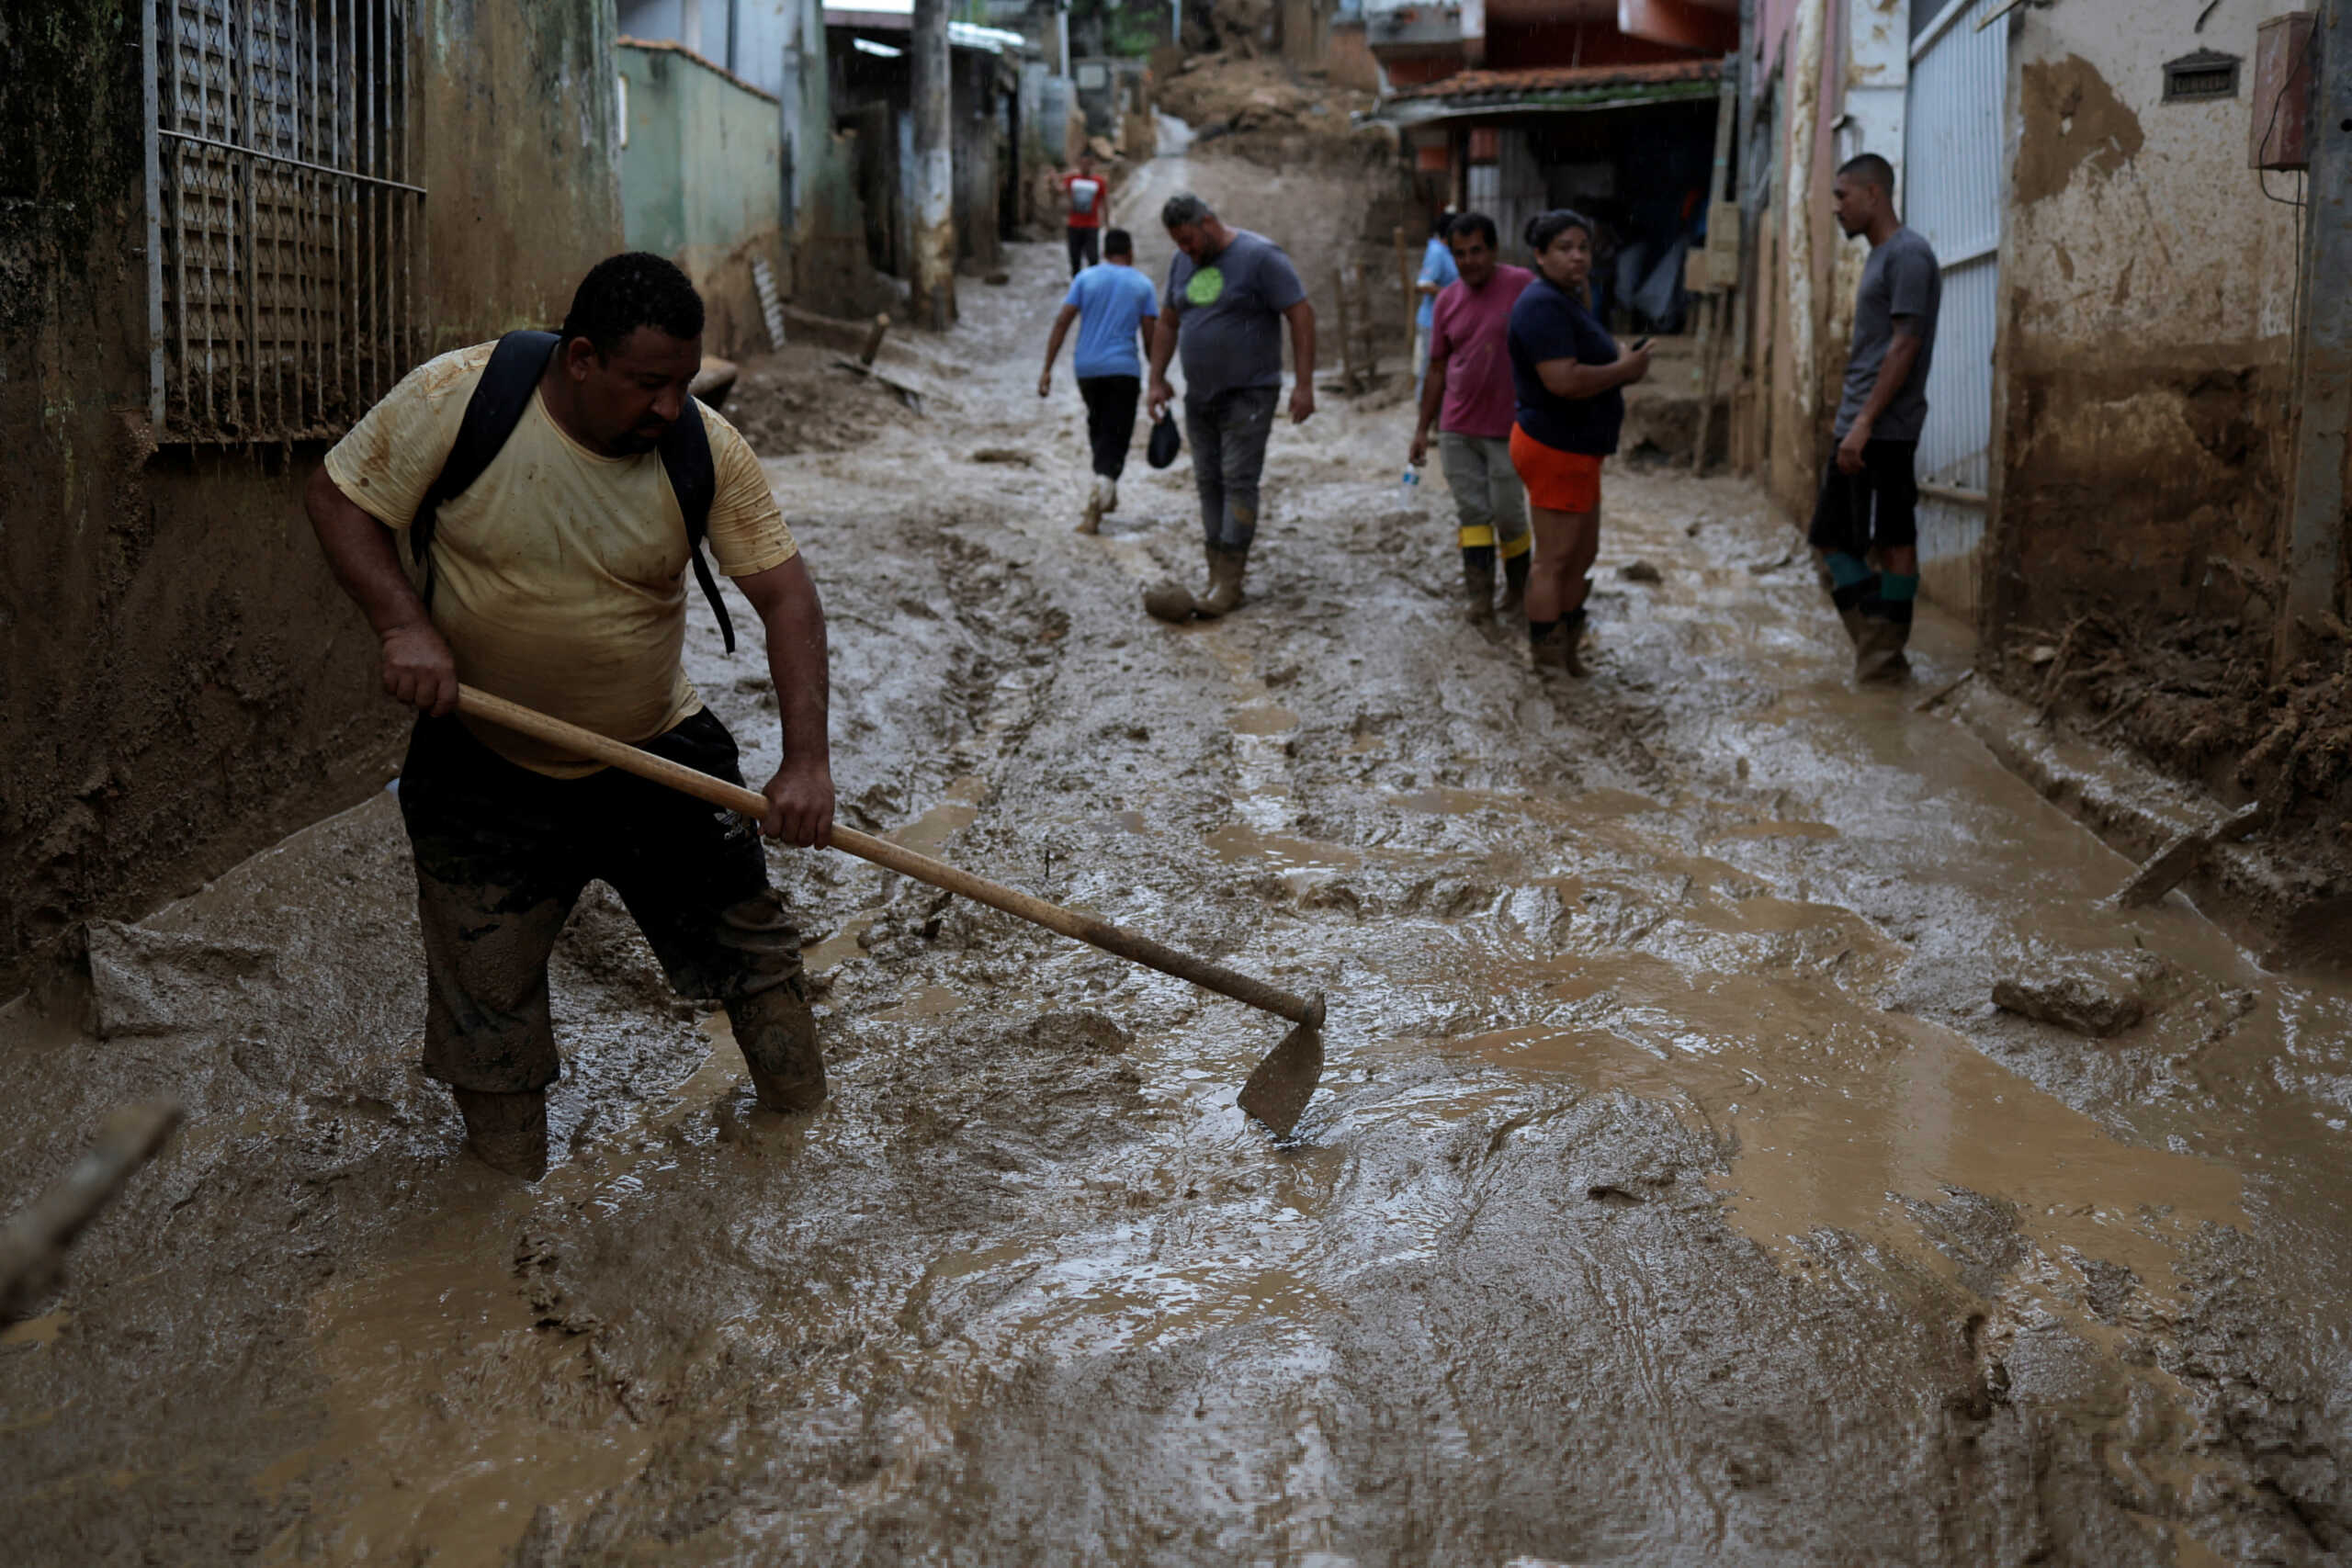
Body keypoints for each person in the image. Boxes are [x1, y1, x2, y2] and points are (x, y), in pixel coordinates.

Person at [304, 253, 836, 1179]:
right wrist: (404, 625)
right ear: (581, 359)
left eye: (681, 382)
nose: (670, 405)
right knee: (489, 1012)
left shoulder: (703, 447)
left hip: (657, 754)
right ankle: (501, 1219)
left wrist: (806, 764)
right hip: (481, 766)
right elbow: (339, 496)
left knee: (758, 964)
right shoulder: (460, 401)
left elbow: (787, 600)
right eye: (647, 384)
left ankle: (805, 1149)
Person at [1141, 192, 1317, 623]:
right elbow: (1168, 321)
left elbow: (1301, 314)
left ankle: (1229, 583)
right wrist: (1157, 378)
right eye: (1177, 243)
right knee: (1207, 480)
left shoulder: (1259, 257)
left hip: (1250, 393)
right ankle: (1215, 572)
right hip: (1200, 394)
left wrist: (1305, 385)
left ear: (1208, 221)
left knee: (1238, 478)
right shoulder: (1183, 263)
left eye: (1188, 240)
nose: (1185, 250)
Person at [1813, 152, 1941, 682]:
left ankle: (1884, 657)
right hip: (1864, 422)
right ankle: (1880, 648)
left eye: (1842, 196)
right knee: (1833, 537)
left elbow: (1905, 344)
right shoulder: (1882, 255)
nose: (1836, 207)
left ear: (1874, 195)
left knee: (1891, 539)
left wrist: (1864, 423)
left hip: (1883, 427)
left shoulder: (1908, 255)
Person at [1507, 209, 1652, 676]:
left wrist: (1619, 360)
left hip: (1577, 448)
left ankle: (1567, 650)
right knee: (1554, 560)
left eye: (1583, 248)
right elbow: (1562, 381)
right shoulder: (1542, 305)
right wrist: (1624, 371)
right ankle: (1548, 663)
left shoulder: (1567, 298)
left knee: (1580, 555)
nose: (1577, 257)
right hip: (1555, 446)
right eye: (1564, 248)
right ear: (1540, 255)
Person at [1409, 211, 1536, 626]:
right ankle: (1480, 598)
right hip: (1457, 427)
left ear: (1494, 249)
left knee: (1509, 513)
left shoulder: (1522, 286)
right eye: (1459, 254)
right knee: (1472, 514)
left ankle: (1518, 593)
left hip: (1509, 428)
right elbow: (1438, 369)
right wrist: (1421, 429)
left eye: (1476, 251)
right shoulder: (1446, 300)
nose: (1469, 261)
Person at [1039, 227, 1159, 533]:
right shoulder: (1143, 285)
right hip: (1123, 370)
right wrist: (1158, 376)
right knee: (1117, 432)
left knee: (1098, 425)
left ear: (1104, 252)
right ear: (1130, 254)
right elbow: (1149, 339)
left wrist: (1047, 369)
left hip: (1087, 370)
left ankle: (1106, 489)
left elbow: (1062, 322)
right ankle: (1099, 496)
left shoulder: (1085, 279)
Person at [1412, 207, 1459, 404]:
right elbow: (1423, 284)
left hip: (1447, 321)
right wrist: (1451, 295)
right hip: (1432, 321)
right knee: (1430, 369)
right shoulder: (1437, 253)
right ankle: (1424, 412)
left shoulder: (1447, 251)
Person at [1060, 151, 1110, 277]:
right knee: (1075, 261)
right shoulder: (1071, 179)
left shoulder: (1099, 182)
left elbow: (1104, 202)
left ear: (1092, 165)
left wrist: (1107, 222)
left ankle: (1093, 286)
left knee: (1093, 259)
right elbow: (1059, 190)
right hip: (1074, 225)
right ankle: (1077, 288)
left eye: (1088, 164)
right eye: (1083, 164)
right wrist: (1053, 180)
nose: (1085, 166)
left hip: (1091, 226)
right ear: (1079, 164)